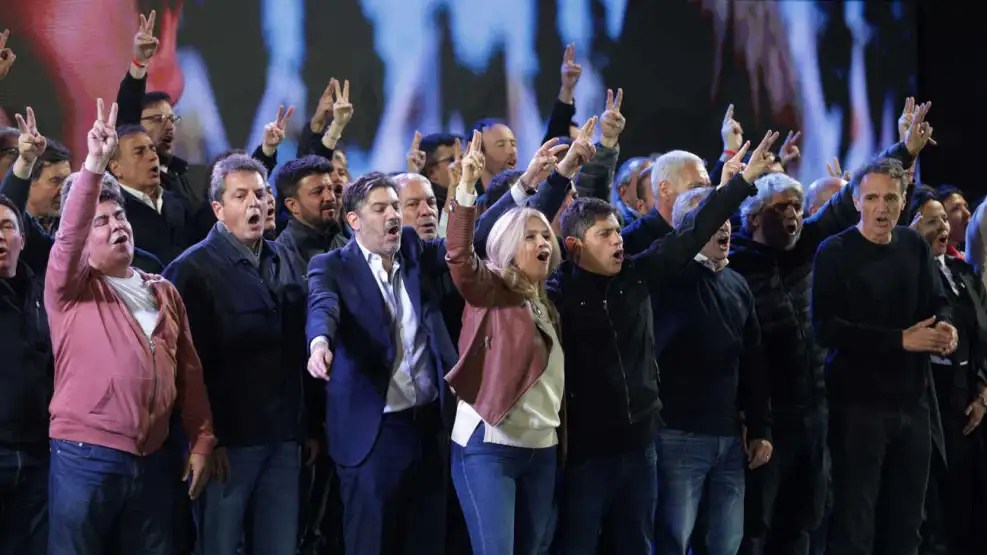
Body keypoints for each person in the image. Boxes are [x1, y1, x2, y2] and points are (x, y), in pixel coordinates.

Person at [550, 137, 764, 554]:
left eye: (618, 231)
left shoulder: (635, 276)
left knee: (639, 544)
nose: (618, 240)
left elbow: (691, 233)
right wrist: (561, 175)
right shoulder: (558, 293)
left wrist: (739, 185)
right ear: (574, 246)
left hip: (640, 447)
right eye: (605, 234)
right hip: (586, 454)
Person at [45, 98, 214, 554]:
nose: (116, 225)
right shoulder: (70, 288)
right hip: (86, 457)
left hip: (153, 458)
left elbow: (190, 375)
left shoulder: (163, 291)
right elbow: (68, 238)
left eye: (119, 215)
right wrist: (95, 166)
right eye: (100, 222)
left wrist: (202, 439)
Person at [305, 169, 457, 555]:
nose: (392, 215)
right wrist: (320, 343)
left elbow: (466, 241)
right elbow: (323, 305)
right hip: (374, 435)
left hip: (429, 427)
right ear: (354, 220)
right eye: (380, 208)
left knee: (427, 543)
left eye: (394, 206)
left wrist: (527, 186)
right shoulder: (332, 266)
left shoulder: (413, 249)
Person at [811, 155, 958, 555]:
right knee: (855, 525)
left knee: (907, 525)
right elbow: (825, 329)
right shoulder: (833, 251)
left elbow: (938, 300)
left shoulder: (913, 245)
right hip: (857, 409)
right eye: (872, 198)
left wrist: (946, 327)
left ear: (903, 200)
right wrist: (899, 340)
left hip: (912, 405)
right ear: (856, 201)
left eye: (891, 198)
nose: (882, 208)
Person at [444, 131, 563, 554]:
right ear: (508, 247)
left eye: (545, 236)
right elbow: (459, 257)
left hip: (542, 449)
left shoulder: (547, 302)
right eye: (529, 237)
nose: (542, 242)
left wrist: (565, 171)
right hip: (490, 446)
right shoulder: (492, 289)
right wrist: (465, 189)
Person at [909, 191, 987, 555]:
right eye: (931, 220)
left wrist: (983, 390)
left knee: (970, 507)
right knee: (934, 513)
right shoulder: (908, 276)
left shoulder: (962, 272)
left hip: (969, 405)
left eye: (944, 219)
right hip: (930, 404)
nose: (942, 226)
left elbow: (983, 335)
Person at [0, 194, 50, 555]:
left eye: (6, 226)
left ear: (22, 238)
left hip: (39, 455)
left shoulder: (43, 294)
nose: (0, 237)